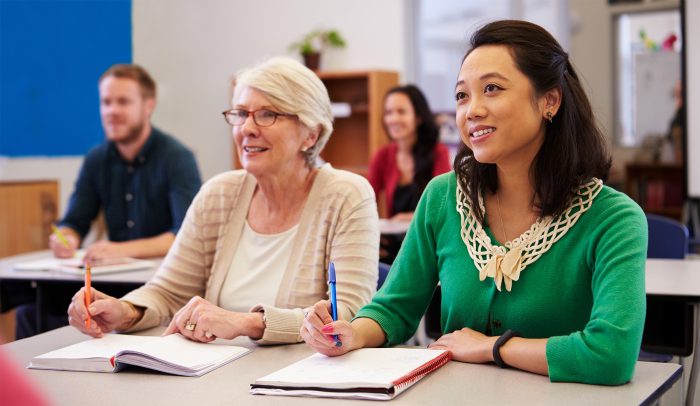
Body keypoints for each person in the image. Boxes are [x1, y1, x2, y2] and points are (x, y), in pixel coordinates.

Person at [301, 20, 647, 386]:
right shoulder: (443, 197)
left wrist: (491, 347)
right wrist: (351, 334)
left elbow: (610, 354)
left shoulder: (614, 219)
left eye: (492, 89)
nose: (472, 111)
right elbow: (393, 309)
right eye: (462, 96)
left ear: (550, 100)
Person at [66, 57, 379, 345]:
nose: (246, 129)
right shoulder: (219, 194)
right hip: (213, 371)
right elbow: (168, 291)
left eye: (267, 114)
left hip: (303, 381)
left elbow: (347, 315)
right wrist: (126, 311)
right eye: (241, 113)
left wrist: (247, 324)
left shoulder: (347, 195)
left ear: (310, 134)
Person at [7, 64, 202, 340]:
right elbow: (75, 221)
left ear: (148, 105)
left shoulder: (177, 158)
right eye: (106, 102)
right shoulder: (96, 159)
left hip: (161, 283)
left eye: (123, 102)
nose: (112, 111)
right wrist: (67, 238)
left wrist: (119, 250)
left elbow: (185, 236)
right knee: (31, 309)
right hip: (109, 279)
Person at [368, 85, 451, 263]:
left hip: (430, 244)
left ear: (418, 117)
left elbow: (444, 205)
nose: (393, 119)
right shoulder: (382, 156)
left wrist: (410, 217)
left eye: (401, 111)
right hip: (395, 247)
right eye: (389, 112)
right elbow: (366, 199)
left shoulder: (438, 153)